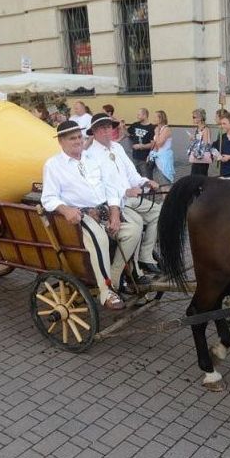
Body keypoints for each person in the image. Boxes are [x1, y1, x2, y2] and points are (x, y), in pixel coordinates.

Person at [41, 121, 140, 310]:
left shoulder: (91, 158)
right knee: (100, 238)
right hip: (80, 215)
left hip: (104, 210)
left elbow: (110, 188)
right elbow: (48, 198)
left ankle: (114, 276)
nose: (78, 141)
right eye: (72, 138)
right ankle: (106, 291)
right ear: (61, 141)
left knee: (133, 231)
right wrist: (66, 210)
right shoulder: (53, 165)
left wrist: (115, 213)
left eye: (79, 137)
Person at [84, 113, 163, 281]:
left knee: (159, 212)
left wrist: (145, 182)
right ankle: (129, 270)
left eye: (109, 127)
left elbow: (131, 174)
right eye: (102, 128)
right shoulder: (90, 155)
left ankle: (146, 256)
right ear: (94, 132)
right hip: (114, 203)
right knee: (137, 223)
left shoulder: (117, 148)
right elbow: (99, 188)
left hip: (130, 198)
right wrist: (125, 192)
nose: (107, 131)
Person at [128, 108, 156, 177]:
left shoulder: (152, 128)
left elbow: (153, 144)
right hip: (135, 157)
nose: (137, 116)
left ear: (144, 115)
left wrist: (141, 146)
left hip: (145, 158)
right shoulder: (135, 125)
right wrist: (122, 127)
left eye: (139, 115)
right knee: (137, 178)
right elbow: (128, 134)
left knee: (147, 179)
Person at [150, 109, 176, 183]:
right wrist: (151, 154)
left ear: (161, 118)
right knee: (158, 181)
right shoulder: (158, 129)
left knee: (164, 181)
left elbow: (159, 143)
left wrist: (157, 133)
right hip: (157, 157)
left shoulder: (166, 129)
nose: (154, 119)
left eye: (156, 117)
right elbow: (155, 144)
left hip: (164, 158)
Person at [186, 108, 213, 176]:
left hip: (202, 157)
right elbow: (198, 141)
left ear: (200, 118)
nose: (193, 119)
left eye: (194, 117)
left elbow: (205, 144)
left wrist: (194, 138)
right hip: (197, 156)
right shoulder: (198, 128)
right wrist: (194, 139)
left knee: (200, 176)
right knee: (194, 176)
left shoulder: (205, 129)